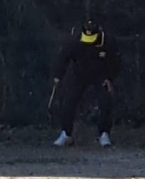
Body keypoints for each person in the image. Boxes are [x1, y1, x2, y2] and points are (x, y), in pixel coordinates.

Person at [51, 19, 121, 148]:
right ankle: (66, 134)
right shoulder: (75, 42)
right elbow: (63, 58)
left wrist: (110, 78)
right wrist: (58, 76)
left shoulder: (108, 42)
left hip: (101, 75)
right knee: (69, 100)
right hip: (79, 74)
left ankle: (104, 134)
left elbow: (116, 61)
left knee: (105, 101)